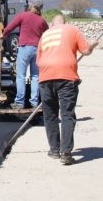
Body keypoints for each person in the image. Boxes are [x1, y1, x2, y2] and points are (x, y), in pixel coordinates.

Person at [37, 14, 98, 165]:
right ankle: (65, 152)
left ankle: (54, 150)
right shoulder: (72, 29)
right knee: (67, 115)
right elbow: (85, 51)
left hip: (45, 77)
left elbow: (38, 60)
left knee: (50, 115)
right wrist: (92, 44)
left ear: (52, 24)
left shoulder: (45, 35)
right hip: (66, 77)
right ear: (65, 22)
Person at [2, 0, 49, 109]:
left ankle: (19, 103)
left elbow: (10, 27)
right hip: (37, 49)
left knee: (21, 76)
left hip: (24, 48)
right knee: (35, 77)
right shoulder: (42, 20)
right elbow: (47, 33)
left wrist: (3, 35)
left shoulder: (23, 16)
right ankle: (34, 103)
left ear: (31, 6)